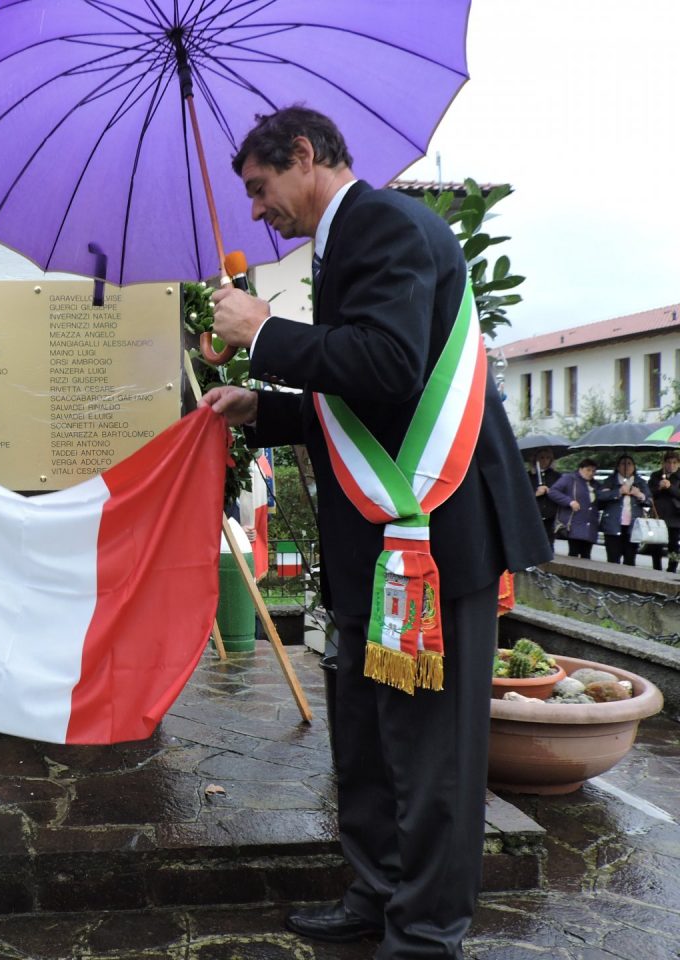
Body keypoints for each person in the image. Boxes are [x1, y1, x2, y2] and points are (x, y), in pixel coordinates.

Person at [199, 106, 551, 959]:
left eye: (260, 187)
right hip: (381, 542)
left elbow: (391, 367)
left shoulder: (386, 225)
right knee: (365, 734)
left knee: (429, 752)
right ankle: (378, 891)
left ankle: (427, 930)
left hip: (433, 540)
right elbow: (364, 404)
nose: (255, 211)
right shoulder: (347, 240)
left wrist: (264, 334)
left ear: (306, 155)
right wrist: (267, 407)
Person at [596, 454, 651, 565]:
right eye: (623, 464)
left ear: (634, 467)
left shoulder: (640, 482)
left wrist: (639, 494)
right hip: (613, 525)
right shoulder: (610, 481)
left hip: (633, 527)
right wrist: (618, 492)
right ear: (617, 467)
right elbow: (600, 496)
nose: (626, 466)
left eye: (629, 464)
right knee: (613, 559)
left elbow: (649, 500)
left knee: (630, 560)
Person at [547, 459, 600, 559]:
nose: (591, 473)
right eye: (588, 470)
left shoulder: (595, 484)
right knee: (573, 553)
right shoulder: (569, 479)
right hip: (575, 523)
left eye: (593, 471)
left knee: (586, 556)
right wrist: (569, 501)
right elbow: (553, 492)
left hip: (590, 525)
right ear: (580, 469)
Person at [647, 451, 680, 571]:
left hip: (674, 516)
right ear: (664, 463)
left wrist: (670, 487)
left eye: (674, 463)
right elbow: (649, 493)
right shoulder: (656, 475)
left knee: (673, 545)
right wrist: (659, 487)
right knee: (656, 544)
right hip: (659, 515)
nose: (671, 465)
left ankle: (672, 567)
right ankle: (656, 567)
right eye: (668, 462)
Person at [529, 447, 562, 547]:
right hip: (533, 516)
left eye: (548, 458)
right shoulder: (528, 476)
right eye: (541, 458)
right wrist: (536, 493)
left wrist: (551, 492)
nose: (545, 460)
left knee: (548, 545)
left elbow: (562, 494)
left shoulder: (557, 476)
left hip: (550, 516)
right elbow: (520, 495)